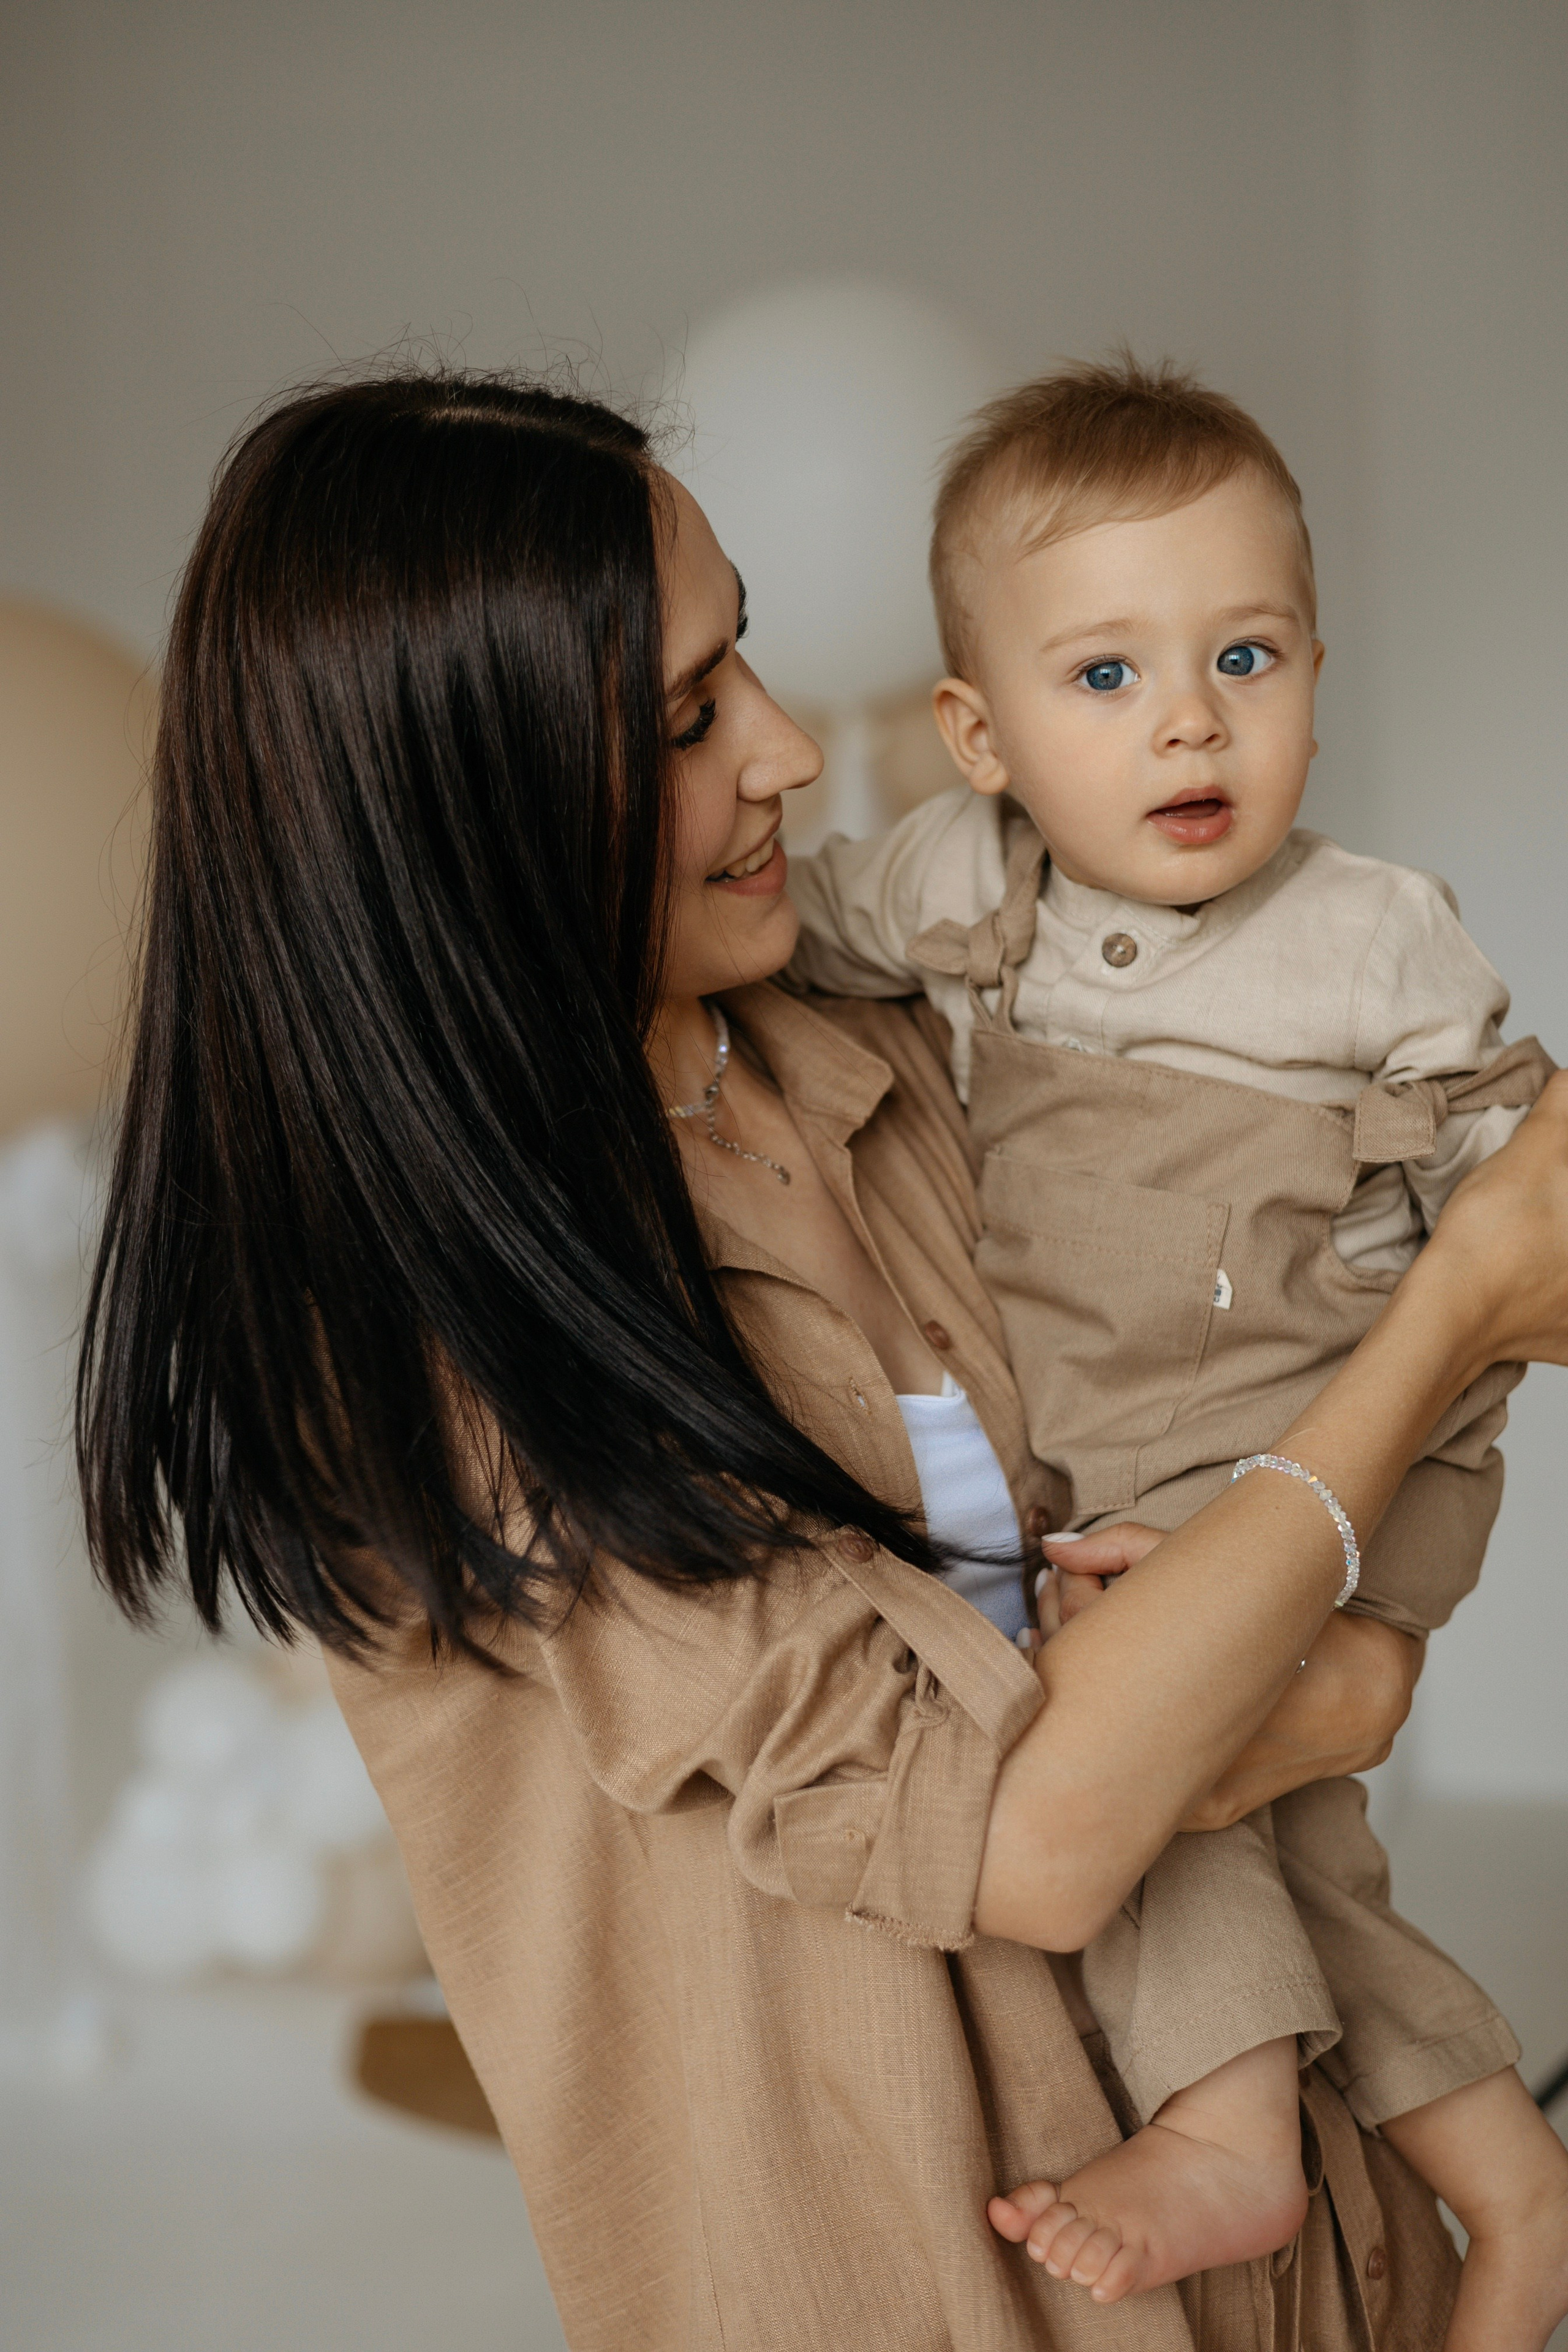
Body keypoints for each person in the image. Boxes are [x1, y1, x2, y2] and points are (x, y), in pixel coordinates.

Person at [75, 369, 1568, 2352]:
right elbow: (1038, 1841)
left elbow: (1270, 1553)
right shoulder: (442, 1347)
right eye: (691, 716)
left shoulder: (866, 1051)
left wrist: (1321, 1642)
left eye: (745, 657)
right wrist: (1461, 1314)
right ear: (478, 806)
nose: (787, 752)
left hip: (1317, 2250)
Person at [787, 354, 1568, 2342]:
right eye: (1106, 678)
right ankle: (1515, 2192)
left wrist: (1377, 1583)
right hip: (1116, 1480)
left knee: (1136, 1768)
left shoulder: (1383, 939)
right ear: (978, 732)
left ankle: (1231, 2127)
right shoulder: (970, 890)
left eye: (1246, 652)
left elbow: (1525, 1214)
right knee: (1301, 1848)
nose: (1192, 719)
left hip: (1338, 1450)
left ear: (1318, 667)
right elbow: (785, 925)